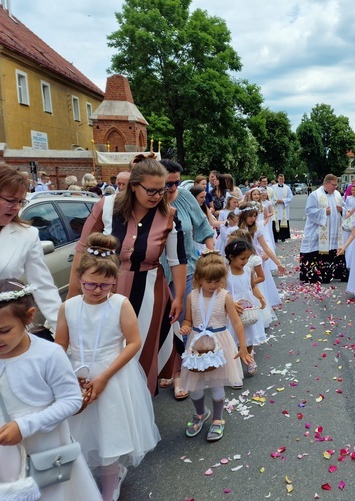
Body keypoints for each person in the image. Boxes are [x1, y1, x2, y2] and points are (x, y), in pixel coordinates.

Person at [68, 154, 187, 395]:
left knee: (142, 349)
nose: (157, 196)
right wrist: (73, 292)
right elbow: (82, 249)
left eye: (161, 191)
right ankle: (106, 400)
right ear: (134, 186)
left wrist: (179, 296)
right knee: (107, 346)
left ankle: (140, 406)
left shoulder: (169, 215)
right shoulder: (107, 206)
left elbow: (177, 259)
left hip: (150, 292)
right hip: (106, 289)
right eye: (151, 191)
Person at [55, 234, 159, 500]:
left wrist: (104, 377)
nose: (97, 290)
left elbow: (134, 343)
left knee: (110, 433)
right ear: (79, 278)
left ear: (114, 281)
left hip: (112, 374)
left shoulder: (120, 304)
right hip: (78, 375)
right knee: (81, 433)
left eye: (105, 284)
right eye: (90, 284)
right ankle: (87, 479)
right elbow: (59, 347)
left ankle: (110, 482)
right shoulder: (68, 307)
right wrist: (68, 377)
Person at [0, 280, 101, 500]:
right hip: (4, 451)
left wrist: (25, 426)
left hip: (45, 450)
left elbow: (71, 400)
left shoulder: (49, 354)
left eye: (4, 330)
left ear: (28, 317)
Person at [179, 251, 253, 442]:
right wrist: (186, 326)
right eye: (209, 281)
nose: (214, 285)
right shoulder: (192, 296)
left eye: (218, 281)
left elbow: (236, 323)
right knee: (195, 387)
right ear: (199, 278)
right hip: (197, 344)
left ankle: (219, 418)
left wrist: (242, 347)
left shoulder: (224, 296)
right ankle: (201, 413)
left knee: (216, 384)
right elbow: (188, 318)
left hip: (219, 344)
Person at [158, 160, 216, 400]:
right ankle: (166, 367)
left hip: (188, 269)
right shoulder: (150, 201)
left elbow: (203, 226)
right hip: (157, 272)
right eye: (167, 183)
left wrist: (212, 253)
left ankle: (180, 373)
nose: (172, 188)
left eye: (176, 182)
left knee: (181, 322)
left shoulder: (185, 198)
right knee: (162, 323)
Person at [0, 164, 62, 333]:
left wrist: (62, 331)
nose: (17, 207)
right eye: (11, 200)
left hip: (9, 329)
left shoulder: (27, 235)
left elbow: (43, 286)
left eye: (21, 201)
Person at [225, 238, 267, 377]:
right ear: (231, 257)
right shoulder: (226, 273)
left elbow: (252, 286)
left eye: (247, 258)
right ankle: (234, 363)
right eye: (242, 258)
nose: (245, 261)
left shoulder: (248, 271)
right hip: (232, 311)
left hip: (247, 311)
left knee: (248, 337)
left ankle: (249, 358)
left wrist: (260, 297)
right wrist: (229, 304)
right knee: (233, 339)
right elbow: (221, 291)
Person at [299, 174, 348, 283]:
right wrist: (323, 212)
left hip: (334, 231)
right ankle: (317, 275)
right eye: (333, 185)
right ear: (326, 184)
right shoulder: (315, 195)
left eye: (336, 184)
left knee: (333, 249)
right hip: (318, 230)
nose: (336, 187)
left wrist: (342, 210)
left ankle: (335, 273)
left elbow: (345, 208)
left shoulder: (337, 195)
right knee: (317, 250)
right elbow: (309, 211)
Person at [237, 204, 285, 309]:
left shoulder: (256, 229)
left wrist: (278, 263)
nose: (253, 219)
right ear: (244, 216)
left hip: (256, 260)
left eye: (255, 216)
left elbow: (266, 247)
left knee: (258, 285)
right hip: (242, 260)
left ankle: (260, 308)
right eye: (250, 216)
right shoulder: (237, 229)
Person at [271, 174, 293, 242]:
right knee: (275, 222)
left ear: (284, 179)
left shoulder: (287, 188)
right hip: (276, 207)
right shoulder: (273, 187)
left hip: (283, 207)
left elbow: (290, 197)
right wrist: (275, 201)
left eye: (282, 179)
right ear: (278, 179)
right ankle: (275, 238)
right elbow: (270, 196)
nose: (281, 180)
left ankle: (283, 237)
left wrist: (283, 201)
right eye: (280, 179)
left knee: (283, 221)